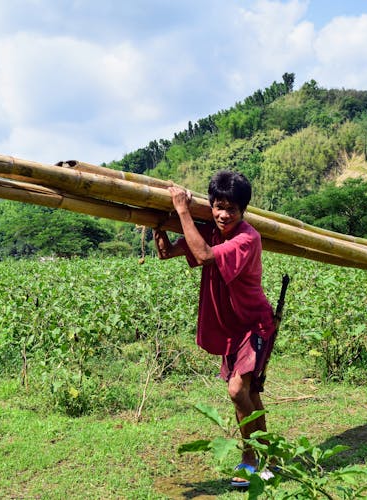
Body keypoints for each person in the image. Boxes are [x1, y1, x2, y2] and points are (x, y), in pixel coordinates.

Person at [153, 170, 276, 488]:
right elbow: (168, 253)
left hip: (255, 324)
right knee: (247, 394)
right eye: (218, 206)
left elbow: (205, 256)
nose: (223, 215)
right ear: (211, 206)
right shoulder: (208, 230)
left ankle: (250, 458)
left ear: (243, 210)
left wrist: (181, 211)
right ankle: (270, 456)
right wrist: (157, 224)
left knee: (237, 391)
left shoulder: (247, 238)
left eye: (231, 209)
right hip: (231, 329)